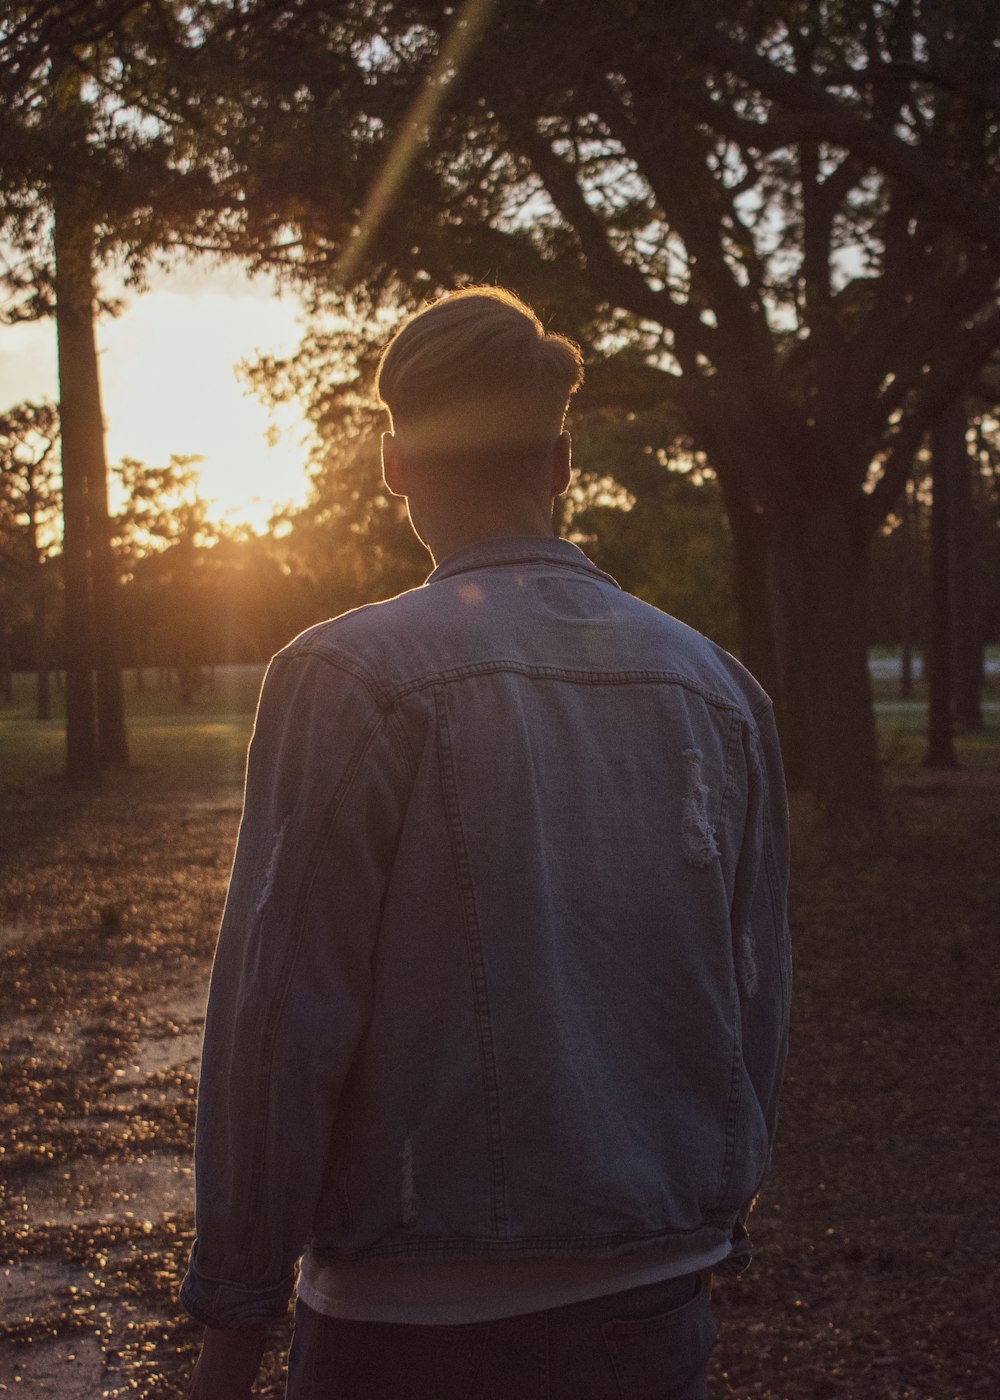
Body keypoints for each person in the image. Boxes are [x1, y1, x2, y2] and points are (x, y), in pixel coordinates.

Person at [181, 287, 791, 1400]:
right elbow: (754, 997)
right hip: (653, 1305)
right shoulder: (718, 688)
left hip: (405, 1326)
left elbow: (280, 1023)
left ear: (395, 464)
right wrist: (706, 1212)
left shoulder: (346, 677)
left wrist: (234, 1319)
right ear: (562, 461)